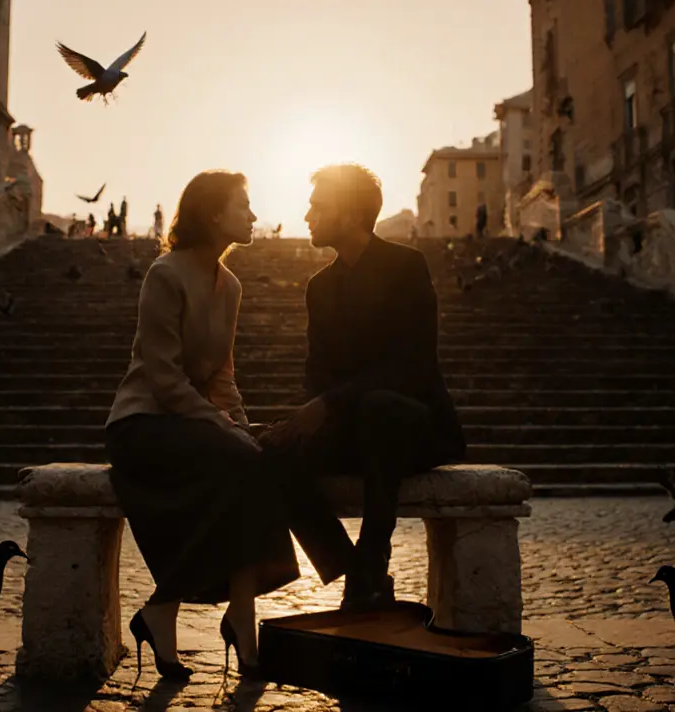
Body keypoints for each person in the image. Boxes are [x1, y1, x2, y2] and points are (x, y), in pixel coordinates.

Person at [105, 170, 298, 680]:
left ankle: (234, 614)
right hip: (143, 424)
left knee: (261, 456)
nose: (254, 215)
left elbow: (222, 375)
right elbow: (163, 377)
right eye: (243, 205)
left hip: (193, 425)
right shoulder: (165, 274)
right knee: (240, 460)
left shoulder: (230, 285)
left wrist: (240, 424)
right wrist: (222, 426)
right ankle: (180, 609)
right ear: (214, 214)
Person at [262, 163, 466, 610]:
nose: (308, 215)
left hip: (412, 426)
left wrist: (330, 402)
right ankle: (349, 564)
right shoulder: (319, 286)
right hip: (353, 428)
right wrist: (306, 417)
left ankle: (372, 559)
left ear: (352, 214)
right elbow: (317, 369)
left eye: (318, 206)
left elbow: (413, 364)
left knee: (380, 408)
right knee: (270, 450)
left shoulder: (406, 266)